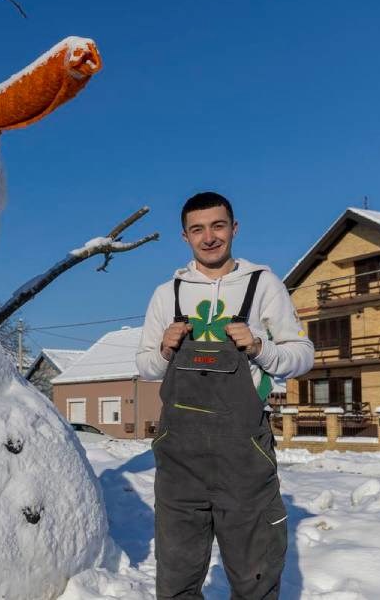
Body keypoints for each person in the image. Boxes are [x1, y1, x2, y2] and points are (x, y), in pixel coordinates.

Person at [135, 191, 314, 599]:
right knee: (176, 575)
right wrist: (164, 349)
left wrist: (259, 348)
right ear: (185, 237)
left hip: (244, 453)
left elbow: (303, 356)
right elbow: (146, 368)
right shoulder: (169, 294)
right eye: (198, 229)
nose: (209, 237)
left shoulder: (262, 284)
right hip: (179, 457)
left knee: (254, 572)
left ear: (234, 228)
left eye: (218, 226)